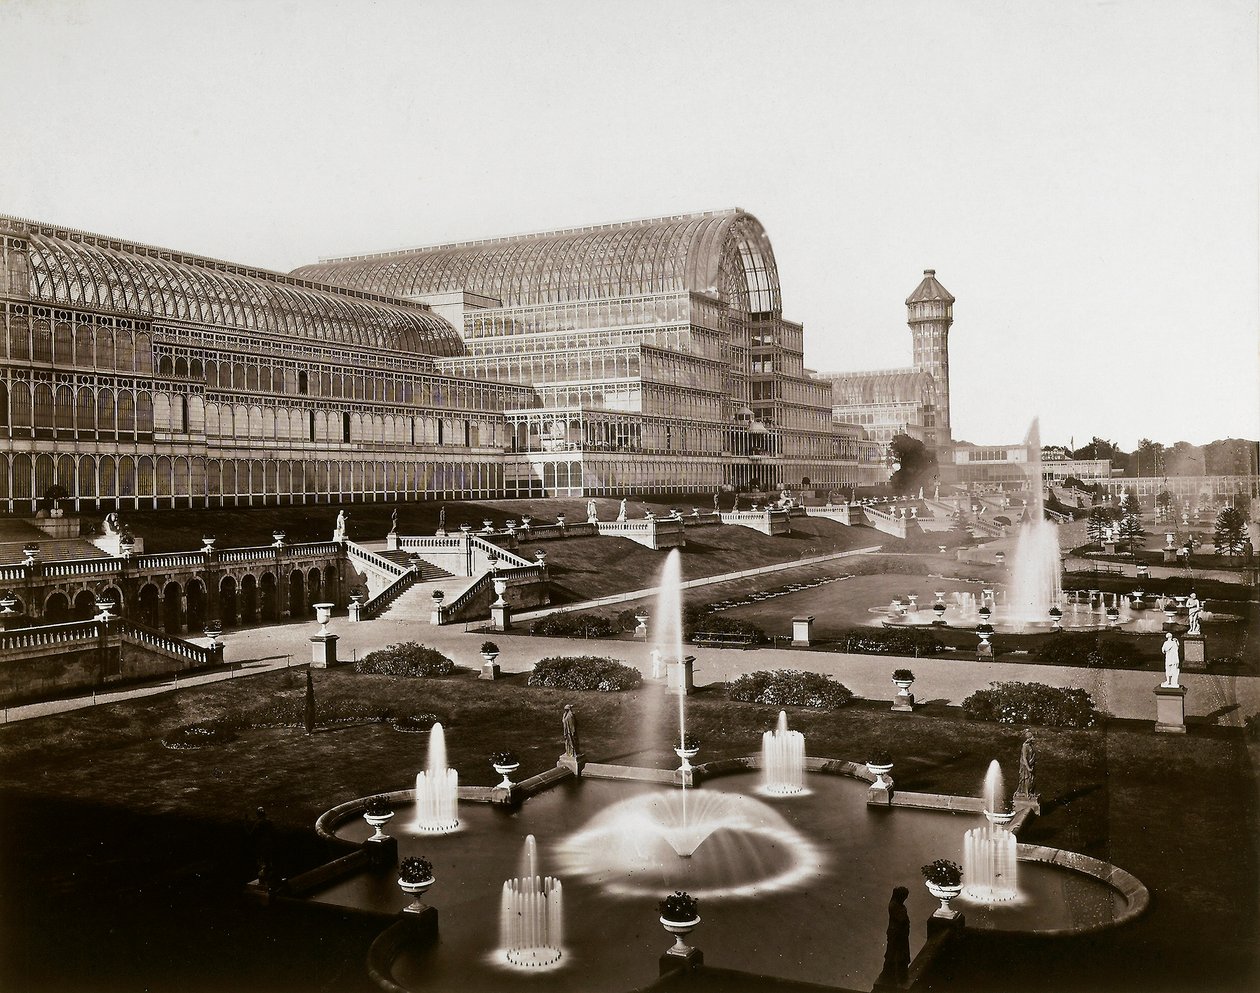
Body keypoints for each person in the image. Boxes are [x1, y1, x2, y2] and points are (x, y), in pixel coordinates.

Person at [881, 886, 911, 987]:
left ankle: (894, 975)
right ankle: (894, 976)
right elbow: (902, 919)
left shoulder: (895, 904)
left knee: (896, 954)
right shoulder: (895, 906)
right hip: (897, 935)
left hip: (898, 934)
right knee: (895, 954)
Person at [1015, 730, 1036, 797]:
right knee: (1026, 778)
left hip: (1031, 764)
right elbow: (1024, 758)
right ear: (1029, 738)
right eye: (1032, 736)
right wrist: (1028, 768)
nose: (1034, 738)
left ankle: (1030, 792)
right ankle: (1026, 793)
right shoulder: (1025, 746)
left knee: (1032, 779)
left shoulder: (1031, 745)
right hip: (1025, 766)